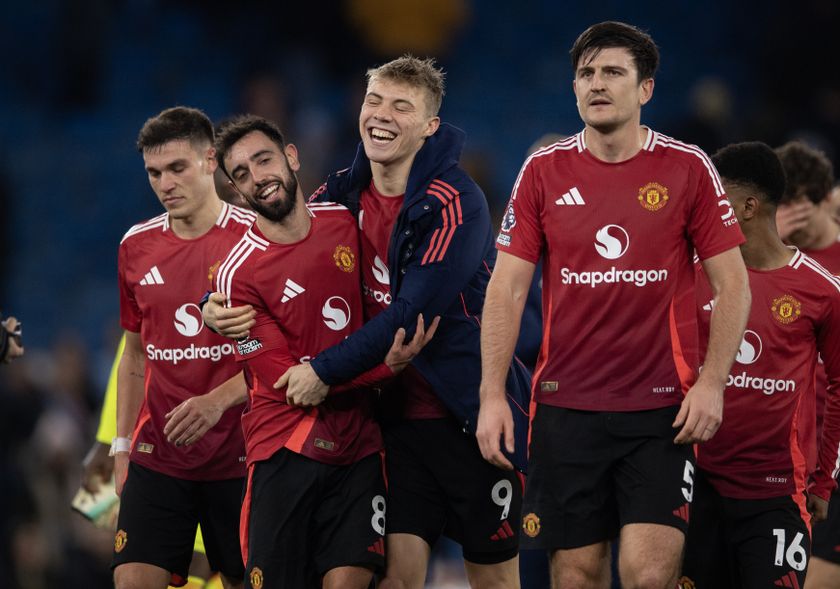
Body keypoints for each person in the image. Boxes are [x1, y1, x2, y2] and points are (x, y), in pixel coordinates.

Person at [205, 56, 531, 589]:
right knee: (395, 580)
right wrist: (210, 300)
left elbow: (409, 316)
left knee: (494, 582)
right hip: (393, 426)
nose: (382, 115)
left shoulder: (456, 203)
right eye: (375, 100)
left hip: (466, 418)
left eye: (402, 106)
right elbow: (283, 240)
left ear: (429, 127)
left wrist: (323, 372)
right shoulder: (342, 195)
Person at [477, 21, 750, 589]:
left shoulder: (688, 168)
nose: (596, 84)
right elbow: (505, 289)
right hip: (564, 410)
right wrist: (492, 396)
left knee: (649, 574)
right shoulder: (543, 170)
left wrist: (712, 383)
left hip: (660, 413)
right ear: (573, 88)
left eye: (612, 73)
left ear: (645, 89)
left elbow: (734, 285)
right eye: (585, 73)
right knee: (576, 575)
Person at [211, 114, 436, 588]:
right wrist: (383, 369)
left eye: (264, 160)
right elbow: (291, 384)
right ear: (234, 192)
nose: (258, 178)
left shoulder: (345, 223)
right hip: (284, 451)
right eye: (242, 175)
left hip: (359, 446)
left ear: (292, 157)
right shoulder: (238, 276)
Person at [682, 141, 840, 588]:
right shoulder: (691, 275)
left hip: (776, 492)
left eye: (715, 198)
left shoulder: (821, 291)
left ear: (748, 207)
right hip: (698, 485)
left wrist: (824, 482)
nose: (702, 209)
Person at [114, 106, 253, 589]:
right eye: (154, 173)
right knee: (131, 580)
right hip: (159, 457)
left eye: (177, 168)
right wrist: (120, 447)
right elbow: (133, 354)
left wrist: (217, 402)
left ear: (210, 160)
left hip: (242, 454)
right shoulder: (135, 247)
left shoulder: (256, 241)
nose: (165, 183)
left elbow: (285, 354)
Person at [79, 334, 220, 589]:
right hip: (153, 438)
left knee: (203, 559)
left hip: (224, 438)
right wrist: (107, 437)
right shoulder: (148, 297)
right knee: (141, 559)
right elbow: (133, 346)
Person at [772, 142, 840, 589]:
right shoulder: (769, 263)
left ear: (816, 203)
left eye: (793, 204)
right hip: (777, 453)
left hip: (832, 453)